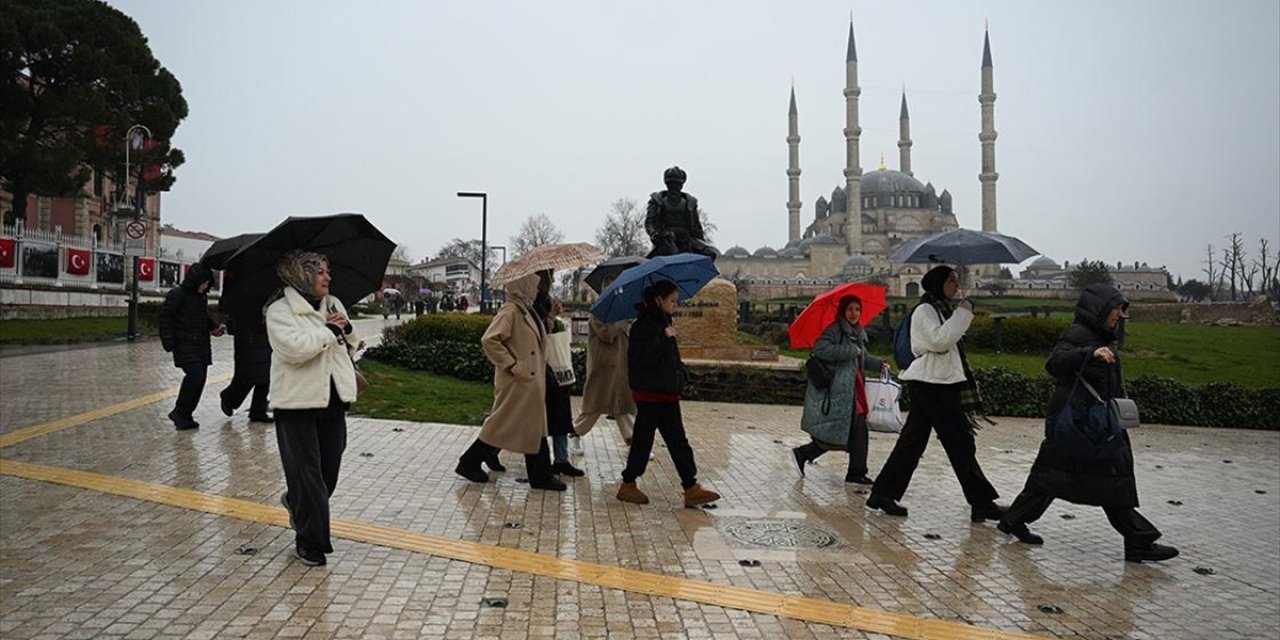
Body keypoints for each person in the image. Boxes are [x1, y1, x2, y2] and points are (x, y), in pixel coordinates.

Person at [999, 284, 1178, 563]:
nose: (1120, 314)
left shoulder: (1102, 336)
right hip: (1076, 422)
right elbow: (1054, 364)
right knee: (1094, 477)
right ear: (1100, 309)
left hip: (1094, 423)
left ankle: (1014, 519)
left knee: (1063, 477)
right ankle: (1138, 541)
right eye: (1116, 308)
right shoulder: (1079, 335)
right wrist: (1089, 353)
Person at [865, 265, 1006, 522]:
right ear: (937, 283)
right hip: (933, 385)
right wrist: (963, 314)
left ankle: (882, 494)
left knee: (913, 442)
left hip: (937, 382)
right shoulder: (925, 311)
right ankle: (982, 502)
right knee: (959, 443)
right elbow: (939, 342)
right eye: (951, 280)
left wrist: (958, 314)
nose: (956, 284)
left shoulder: (942, 310)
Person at [265, 250, 360, 567]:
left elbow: (354, 343)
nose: (327, 277)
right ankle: (310, 541)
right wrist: (328, 332)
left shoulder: (333, 304)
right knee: (308, 477)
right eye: (320, 272)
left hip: (333, 399)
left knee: (328, 471)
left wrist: (345, 329)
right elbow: (294, 349)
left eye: (327, 271)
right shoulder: (280, 311)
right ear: (301, 275)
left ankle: (295, 503)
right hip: (296, 403)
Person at [455, 271, 565, 491]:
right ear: (523, 285)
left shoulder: (526, 310)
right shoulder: (511, 310)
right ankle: (469, 462)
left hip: (529, 381)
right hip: (518, 381)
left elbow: (537, 339)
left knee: (533, 426)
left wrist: (551, 317)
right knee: (501, 425)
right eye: (533, 285)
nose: (537, 290)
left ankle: (540, 475)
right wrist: (513, 365)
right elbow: (489, 340)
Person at [616, 280, 720, 507]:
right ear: (658, 300)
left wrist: (682, 375)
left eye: (676, 300)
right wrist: (663, 338)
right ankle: (629, 483)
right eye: (671, 300)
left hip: (667, 393)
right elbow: (643, 360)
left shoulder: (664, 322)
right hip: (650, 394)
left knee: (678, 441)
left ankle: (690, 487)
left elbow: (670, 358)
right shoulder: (643, 326)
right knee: (644, 441)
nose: (675, 304)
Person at [793, 294, 890, 484]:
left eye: (857, 309)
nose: (854, 313)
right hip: (841, 389)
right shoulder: (835, 330)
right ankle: (804, 453)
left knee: (855, 430)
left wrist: (879, 364)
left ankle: (856, 472)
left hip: (855, 387)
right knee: (843, 431)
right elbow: (820, 349)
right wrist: (848, 351)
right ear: (843, 311)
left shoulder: (857, 332)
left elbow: (861, 357)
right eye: (850, 309)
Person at [158, 263, 223, 430]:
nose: (204, 286)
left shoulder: (201, 297)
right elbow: (165, 318)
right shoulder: (177, 295)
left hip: (201, 344)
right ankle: (180, 411)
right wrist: (169, 342)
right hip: (184, 343)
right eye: (203, 283)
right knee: (194, 375)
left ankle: (186, 413)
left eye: (207, 284)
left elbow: (203, 317)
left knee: (201, 379)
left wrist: (214, 328)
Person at [573, 276, 637, 448]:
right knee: (594, 407)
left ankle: (633, 441)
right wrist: (623, 322)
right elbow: (607, 334)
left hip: (621, 368)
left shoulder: (622, 311)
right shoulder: (597, 311)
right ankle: (575, 434)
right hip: (604, 369)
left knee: (623, 406)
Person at [537, 294, 584, 478]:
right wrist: (549, 315)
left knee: (561, 417)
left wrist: (555, 316)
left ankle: (561, 460)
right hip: (545, 375)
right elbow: (541, 335)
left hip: (558, 376)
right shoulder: (537, 304)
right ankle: (492, 450)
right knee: (540, 420)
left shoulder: (547, 301)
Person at [645, 166, 718, 258]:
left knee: (710, 253)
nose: (674, 188)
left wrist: (701, 242)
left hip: (686, 239)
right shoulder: (657, 201)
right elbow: (649, 222)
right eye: (671, 184)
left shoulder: (690, 203)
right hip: (666, 239)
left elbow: (696, 227)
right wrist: (654, 234)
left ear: (681, 185)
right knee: (670, 253)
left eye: (677, 185)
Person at [219, 311, 273, 424]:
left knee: (266, 375)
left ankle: (258, 410)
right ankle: (229, 398)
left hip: (266, 330)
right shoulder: (244, 295)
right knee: (251, 373)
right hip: (249, 332)